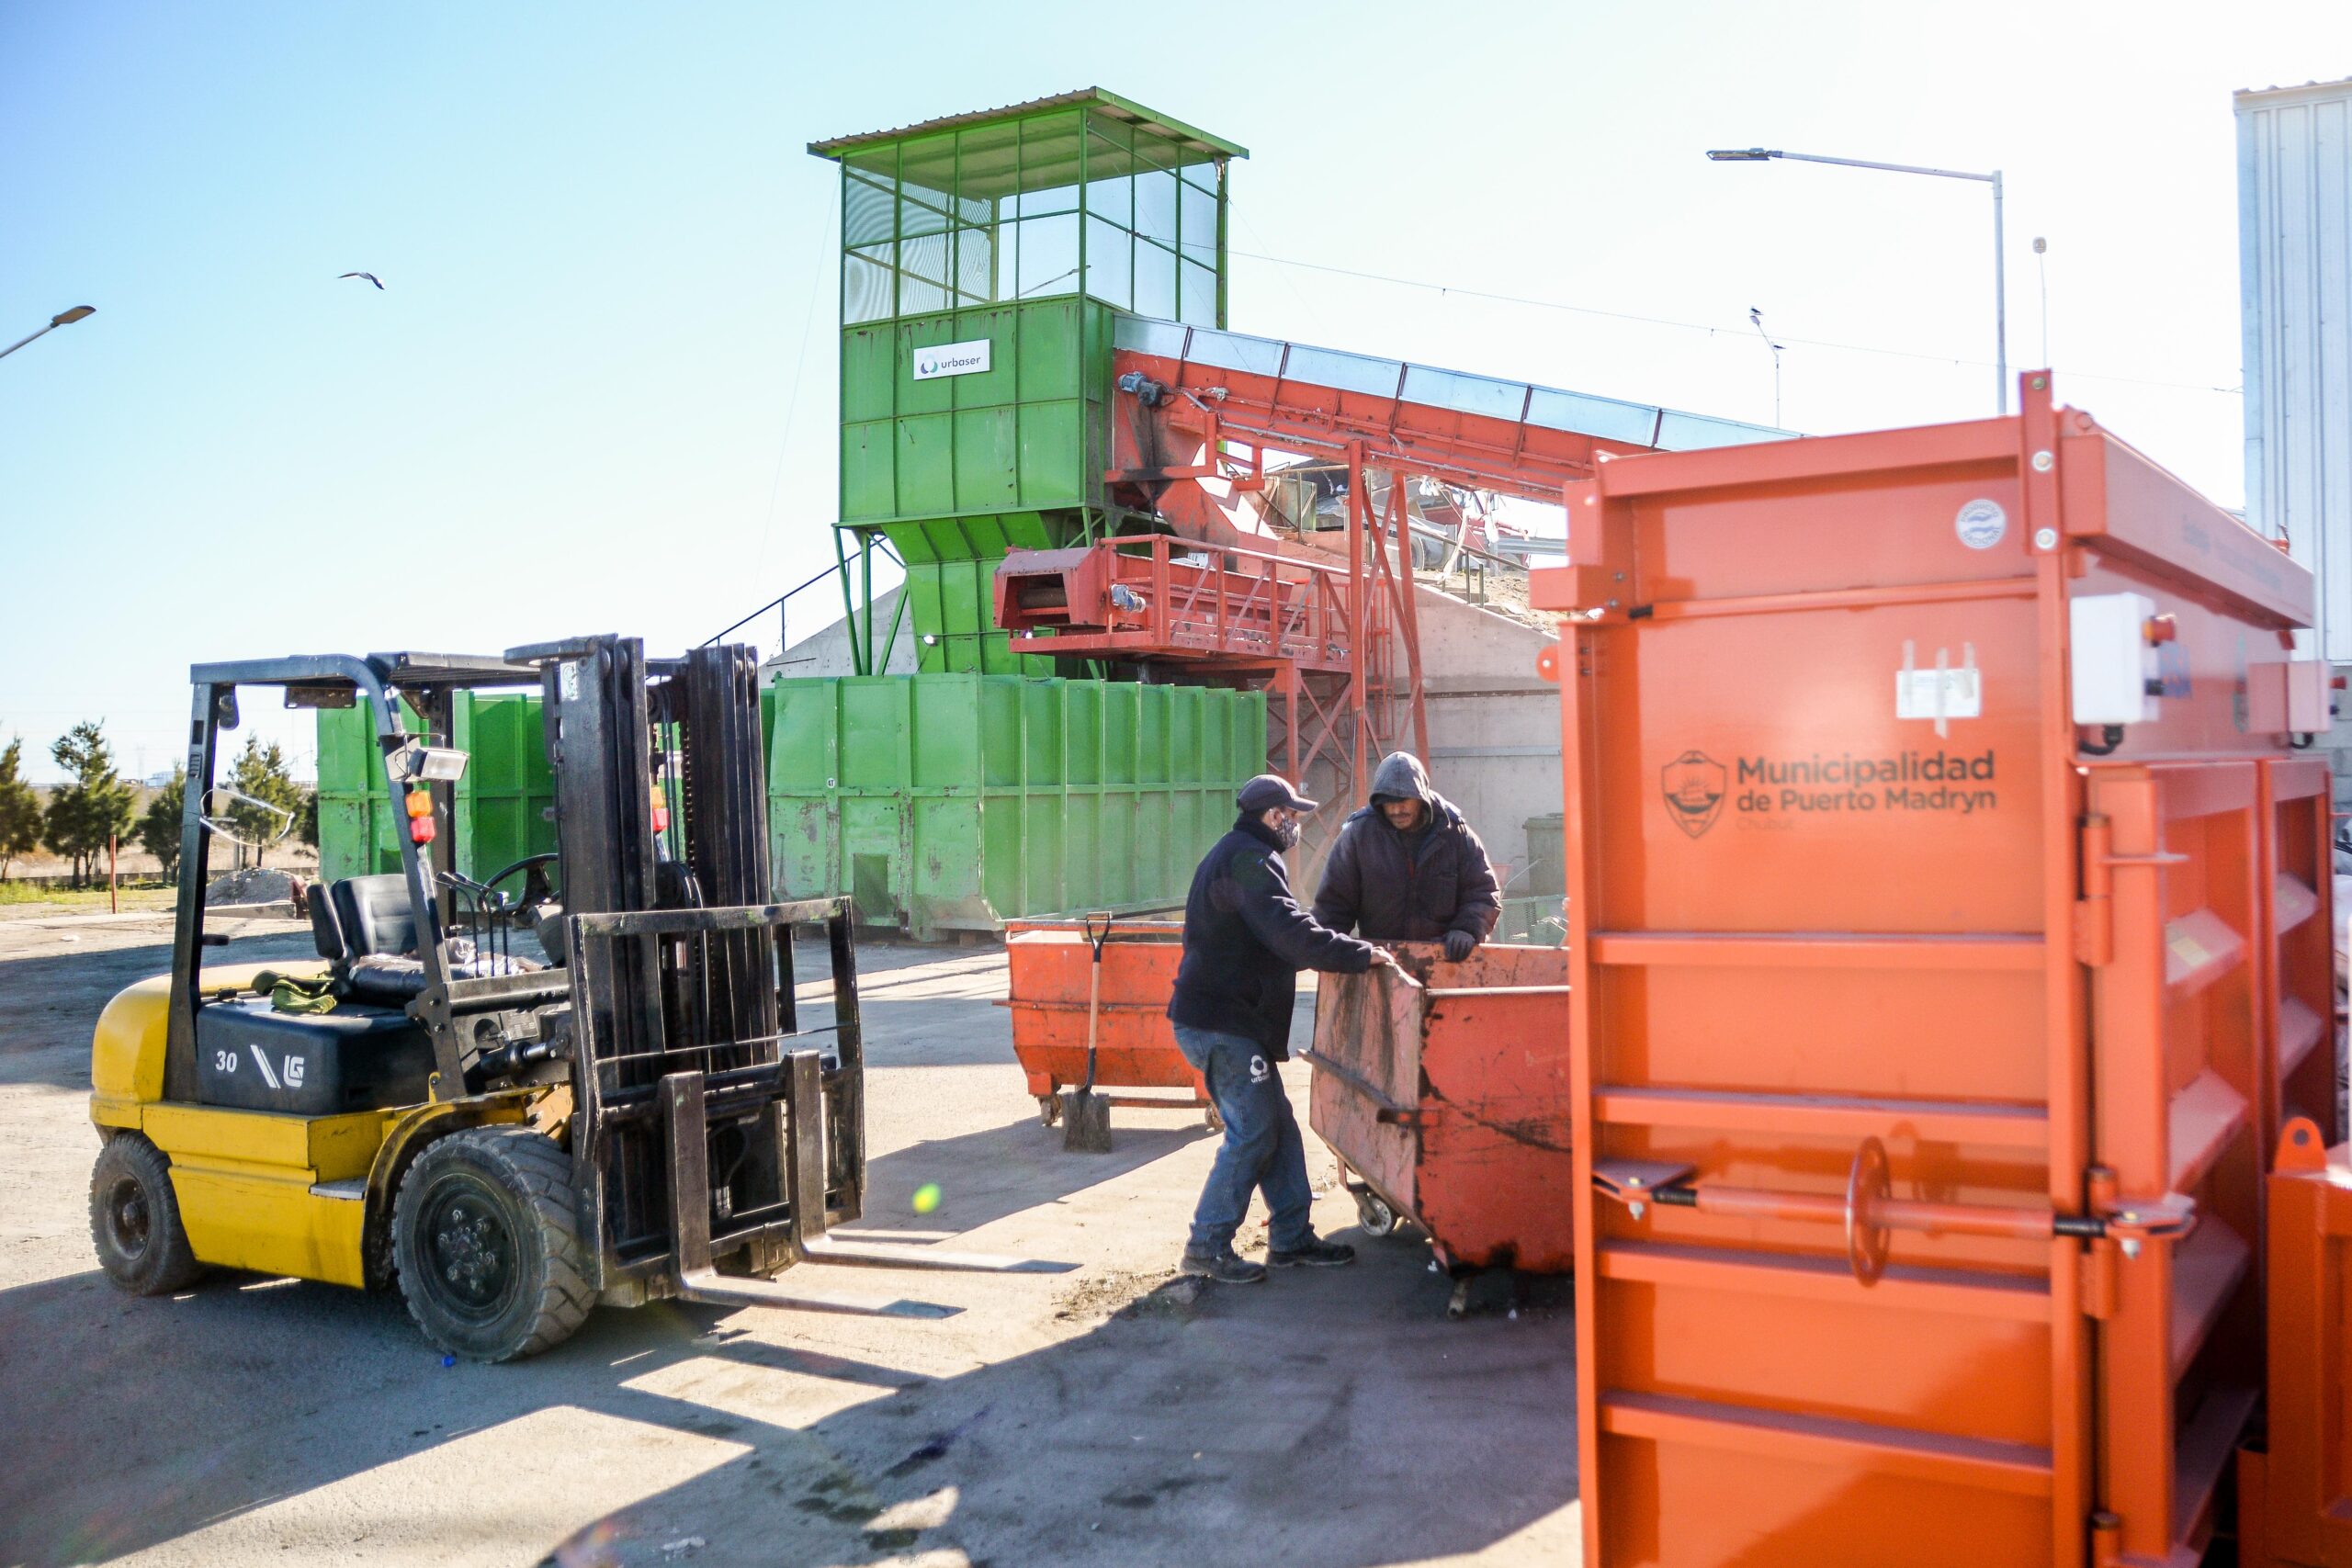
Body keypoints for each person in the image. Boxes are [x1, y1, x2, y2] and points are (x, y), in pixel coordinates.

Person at [1167, 773, 1405, 1285]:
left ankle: (1292, 1239)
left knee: (1278, 1125)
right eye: (1290, 814)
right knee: (1253, 1132)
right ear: (1271, 816)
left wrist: (1332, 943)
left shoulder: (1242, 855)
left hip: (1228, 1020)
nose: (1296, 823)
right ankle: (1206, 1246)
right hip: (1220, 1024)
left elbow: (1284, 930)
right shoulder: (1248, 860)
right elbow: (1288, 933)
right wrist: (1360, 955)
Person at [1311, 751, 1500, 963]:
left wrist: (1467, 929)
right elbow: (1332, 907)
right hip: (1379, 963)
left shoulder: (1455, 834)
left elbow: (1482, 892)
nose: (1396, 809)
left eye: (1404, 801)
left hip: (1444, 961)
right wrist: (1334, 955)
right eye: (1388, 802)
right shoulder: (1358, 836)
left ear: (1422, 798)